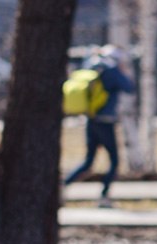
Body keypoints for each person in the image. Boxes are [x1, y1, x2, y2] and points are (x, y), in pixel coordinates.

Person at [64, 45, 136, 208]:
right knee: (114, 161)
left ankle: (62, 185)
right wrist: (123, 70)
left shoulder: (91, 65)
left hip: (91, 118)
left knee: (89, 160)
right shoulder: (112, 70)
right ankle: (104, 196)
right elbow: (129, 88)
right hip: (106, 121)